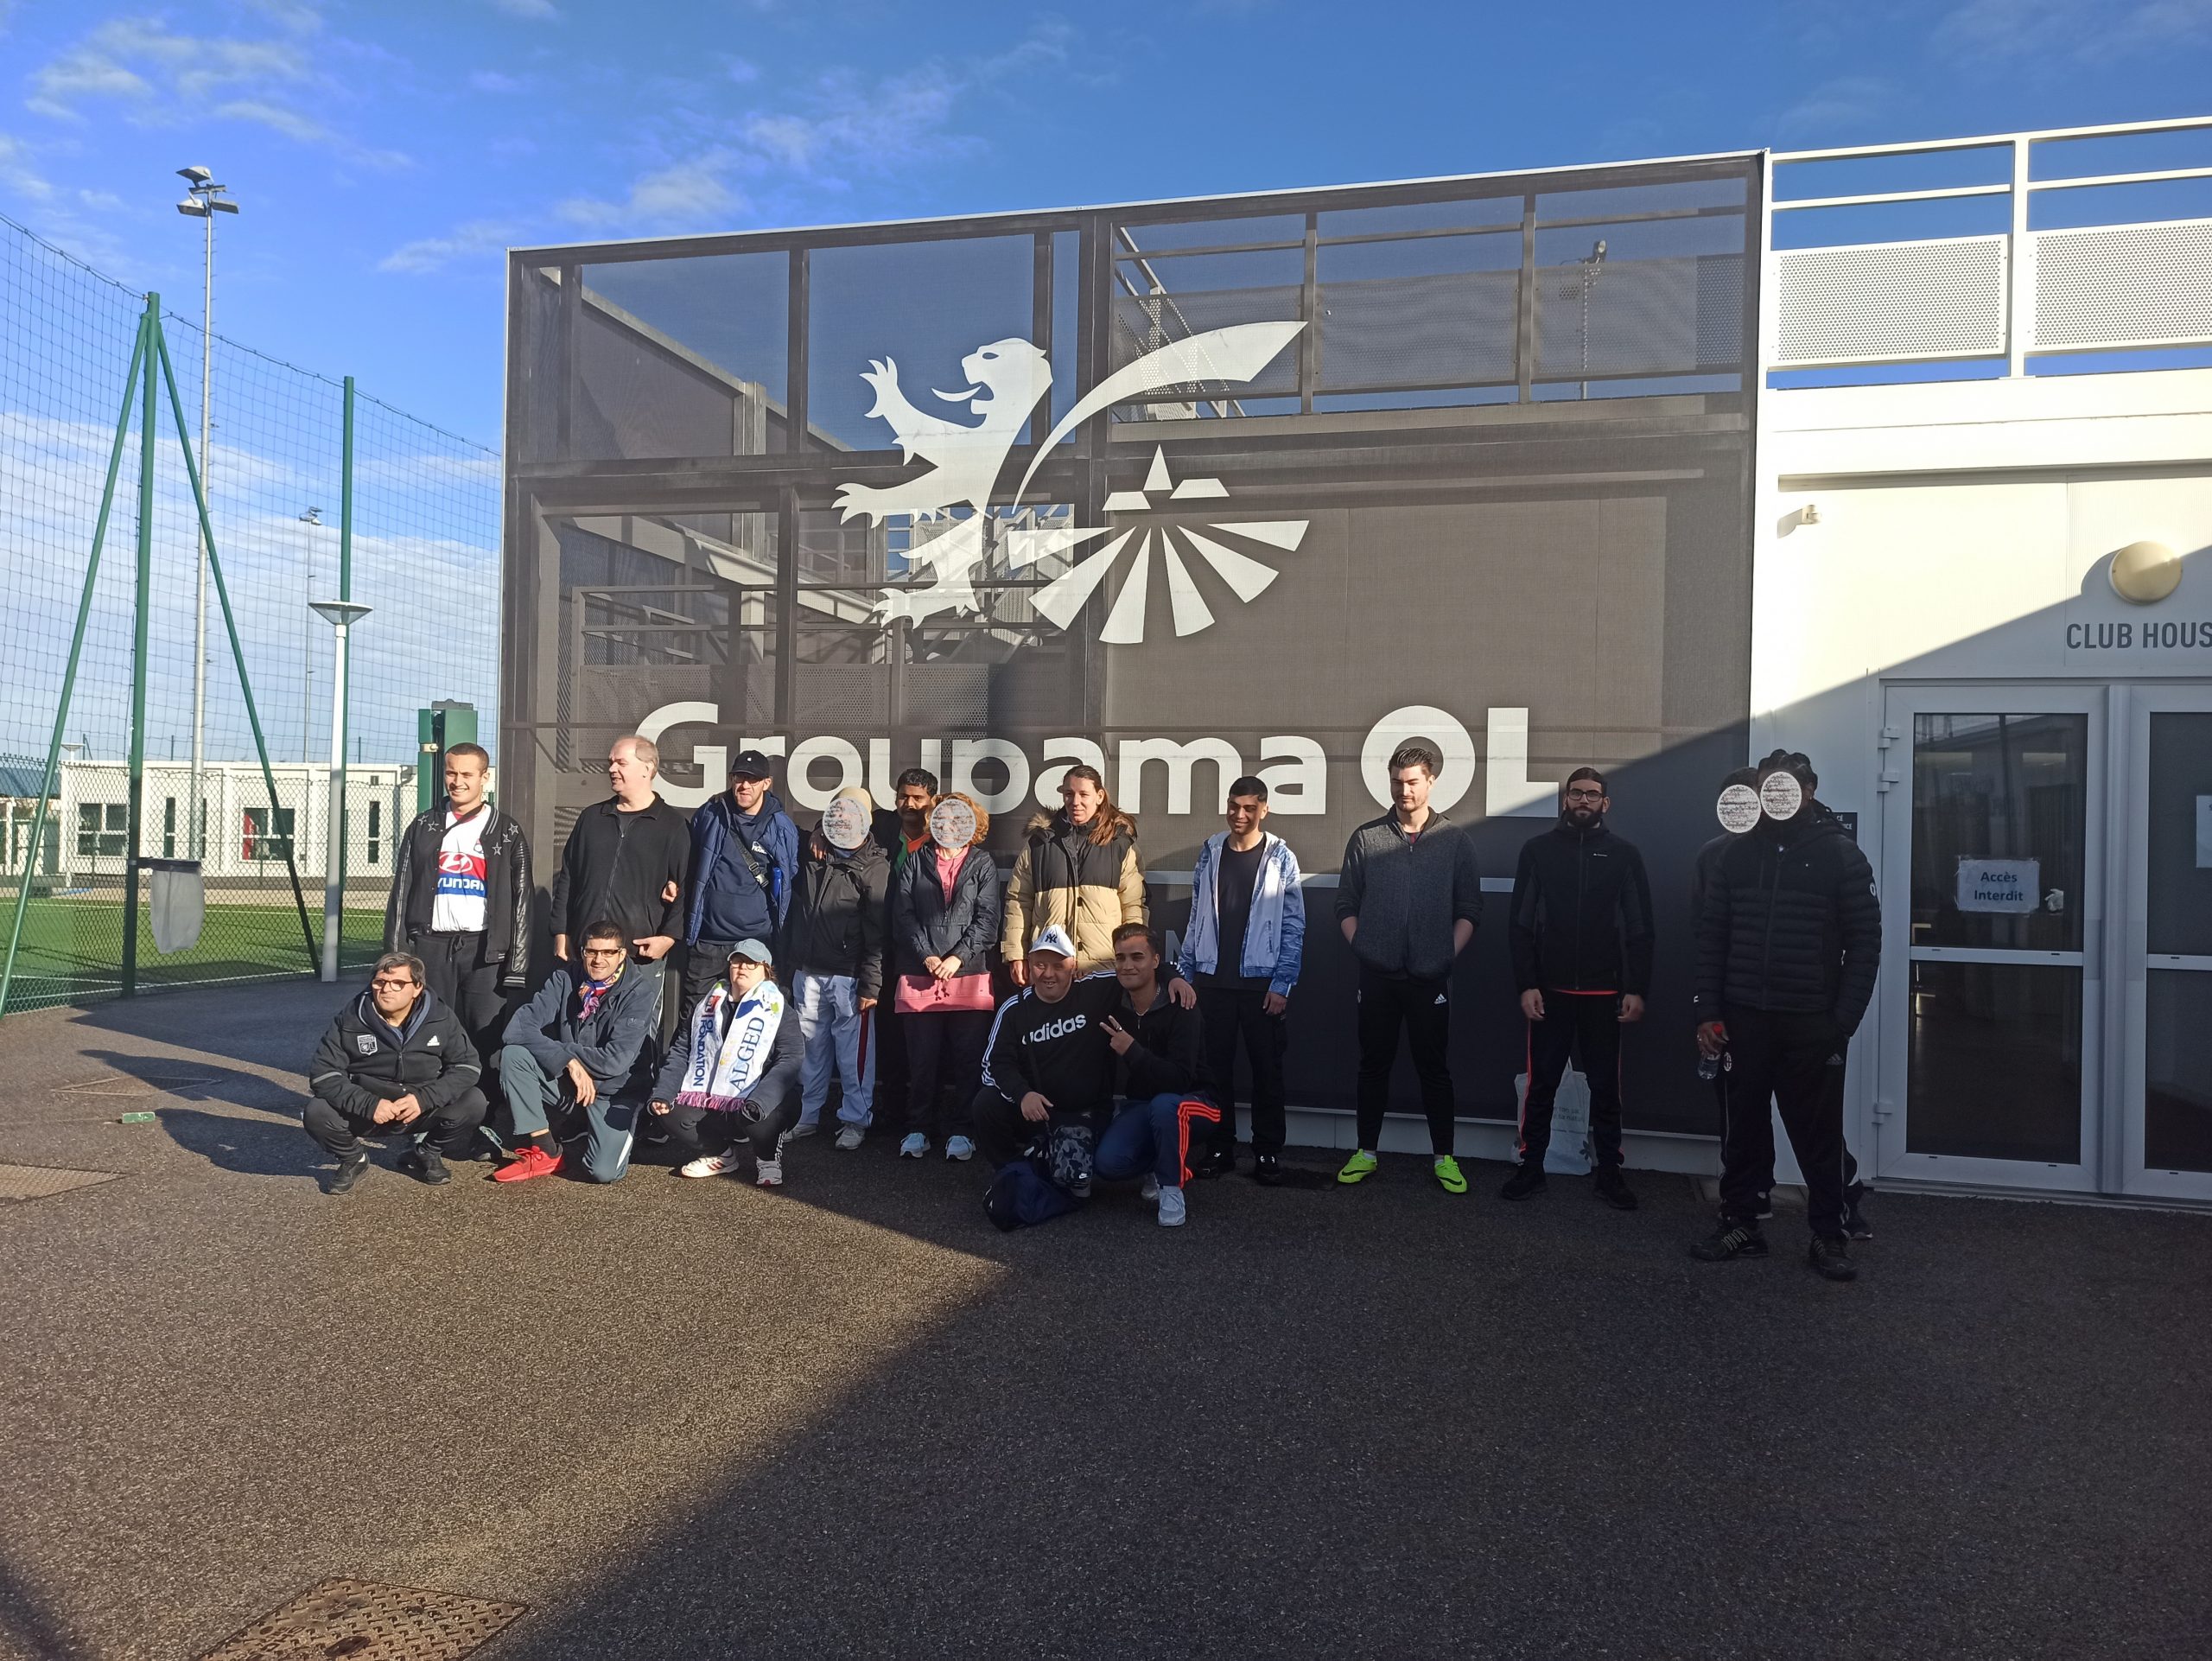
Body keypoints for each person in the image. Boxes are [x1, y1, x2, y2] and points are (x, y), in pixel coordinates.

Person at [1690, 750, 1881, 1281]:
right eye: (1766, 787)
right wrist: (1708, 1011)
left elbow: (1865, 944)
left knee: (1818, 1136)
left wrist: (1841, 1023)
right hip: (1743, 1021)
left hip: (1811, 1023)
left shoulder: (1841, 854)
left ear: (1810, 790)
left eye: (1787, 786)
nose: (1775, 796)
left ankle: (1828, 1235)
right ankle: (1741, 1225)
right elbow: (1712, 939)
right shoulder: (1733, 854)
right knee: (1743, 1132)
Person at [1501, 767, 1656, 1210]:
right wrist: (1527, 984)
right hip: (1549, 992)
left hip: (1605, 994)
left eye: (1592, 794)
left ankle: (1610, 1173)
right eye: (1576, 793)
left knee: (1606, 1089)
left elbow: (1640, 927)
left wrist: (1636, 987)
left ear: (1605, 803)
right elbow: (1520, 924)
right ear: (1565, 800)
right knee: (1542, 1085)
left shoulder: (1625, 855)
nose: (1583, 800)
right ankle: (1531, 1167)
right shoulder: (1538, 851)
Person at [1333, 741, 1484, 1193]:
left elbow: (1470, 909)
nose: (1404, 791)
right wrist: (1364, 947)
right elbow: (1345, 903)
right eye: (1397, 782)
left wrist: (1445, 955)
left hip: (1429, 977)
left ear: (1431, 781)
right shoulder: (1367, 837)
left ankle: (1445, 1158)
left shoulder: (1455, 841)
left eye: (1413, 782)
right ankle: (1365, 1152)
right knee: (1372, 1065)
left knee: (1434, 1069)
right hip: (1377, 977)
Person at [971, 924, 1195, 1176]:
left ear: (1073, 966)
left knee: (1076, 1182)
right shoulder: (1014, 1008)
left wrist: (1173, 977)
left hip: (1086, 1114)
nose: (1049, 974)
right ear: (1030, 964)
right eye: (1040, 965)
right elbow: (996, 1064)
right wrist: (1023, 1094)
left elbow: (1137, 971)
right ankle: (1011, 1173)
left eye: (1058, 966)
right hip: (1035, 1112)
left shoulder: (1094, 991)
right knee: (986, 1103)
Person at [1177, 775, 1304, 1184]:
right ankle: (1220, 1148)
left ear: (1264, 809)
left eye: (1249, 808)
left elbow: (1293, 924)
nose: (1240, 815)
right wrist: (1187, 973)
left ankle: (1267, 1153)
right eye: (1234, 806)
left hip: (1261, 987)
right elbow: (1195, 916)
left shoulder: (1281, 857)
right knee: (1215, 1073)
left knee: (1267, 1072)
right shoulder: (1211, 851)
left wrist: (1282, 984)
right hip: (1212, 983)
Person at [382, 742, 532, 1072]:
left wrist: (517, 966)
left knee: (486, 1037)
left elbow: (522, 899)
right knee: (430, 1031)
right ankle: (431, 1099)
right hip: (431, 946)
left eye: (467, 774)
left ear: (484, 777)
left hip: (485, 951)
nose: (457, 781)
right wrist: (395, 954)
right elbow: (402, 890)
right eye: (451, 773)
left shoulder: (506, 830)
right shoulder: (423, 826)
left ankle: (484, 1102)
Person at [493, 919, 660, 1184]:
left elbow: (615, 1062)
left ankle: (628, 1124)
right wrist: (568, 1061)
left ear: (622, 954)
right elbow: (518, 1028)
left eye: (608, 952)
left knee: (602, 1173)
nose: (598, 960)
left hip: (616, 1093)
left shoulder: (638, 992)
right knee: (514, 1055)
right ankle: (546, 1150)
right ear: (582, 952)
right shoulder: (565, 978)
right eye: (591, 951)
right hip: (574, 1084)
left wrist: (567, 1053)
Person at [305, 951, 487, 1192]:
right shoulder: (350, 1019)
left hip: (420, 1107)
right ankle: (353, 1158)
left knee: (474, 1101)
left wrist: (424, 1099)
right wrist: (369, 1104)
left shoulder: (441, 1017)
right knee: (317, 1112)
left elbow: (467, 1066)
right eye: (380, 982)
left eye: (398, 983)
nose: (386, 989)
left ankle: (428, 1152)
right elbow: (323, 1074)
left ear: (417, 988)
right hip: (370, 1110)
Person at [889, 791, 999, 1162]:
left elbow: (988, 920)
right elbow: (903, 915)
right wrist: (928, 956)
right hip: (920, 973)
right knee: (922, 1061)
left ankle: (963, 1130)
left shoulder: (983, 863)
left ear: (971, 823)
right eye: (942, 818)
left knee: (968, 1060)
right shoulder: (915, 860)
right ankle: (919, 1128)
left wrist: (956, 958)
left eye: (957, 819)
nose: (949, 825)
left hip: (968, 974)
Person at [649, 939, 804, 1187]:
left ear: (766, 971)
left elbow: (790, 1058)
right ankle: (719, 1155)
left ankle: (767, 1159)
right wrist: (663, 1093)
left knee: (763, 1115)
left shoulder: (780, 1010)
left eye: (751, 963)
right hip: (711, 1097)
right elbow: (681, 1051)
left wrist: (761, 1099)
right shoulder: (705, 1006)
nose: (742, 967)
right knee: (669, 1112)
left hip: (758, 1098)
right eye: (737, 962)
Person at [1095, 923, 1218, 1228]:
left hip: (1196, 1102)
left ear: (1155, 961)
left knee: (1165, 1105)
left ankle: (1171, 1186)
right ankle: (1158, 1163)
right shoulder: (1113, 998)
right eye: (1120, 958)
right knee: (1107, 1164)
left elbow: (1178, 1081)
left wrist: (1132, 1050)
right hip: (1143, 1104)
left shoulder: (1182, 1004)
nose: (1127, 965)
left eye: (1137, 957)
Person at [787, 786, 890, 1149]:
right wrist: (817, 830)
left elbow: (877, 932)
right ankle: (807, 1116)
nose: (843, 819)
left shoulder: (875, 866)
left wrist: (871, 984)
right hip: (807, 970)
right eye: (837, 812)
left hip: (849, 976)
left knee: (853, 1056)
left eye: (852, 813)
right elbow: (780, 821)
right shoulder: (812, 850)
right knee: (809, 1051)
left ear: (866, 820)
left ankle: (855, 1121)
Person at [549, 734, 690, 983]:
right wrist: (561, 931)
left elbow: (685, 887)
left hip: (638, 956)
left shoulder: (672, 825)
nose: (612, 769)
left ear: (647, 769)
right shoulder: (592, 818)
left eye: (621, 763)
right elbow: (568, 876)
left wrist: (667, 938)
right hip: (586, 953)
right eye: (611, 763)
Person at [678, 748, 798, 1016]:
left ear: (766, 783)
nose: (744, 785)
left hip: (756, 943)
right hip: (708, 942)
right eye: (739, 778)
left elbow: (791, 877)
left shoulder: (780, 826)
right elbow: (688, 860)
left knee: (753, 1023)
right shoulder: (710, 814)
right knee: (694, 1020)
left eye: (752, 779)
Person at [1002, 764, 1147, 981]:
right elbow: (1018, 900)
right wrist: (1016, 954)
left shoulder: (1120, 844)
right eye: (1069, 794)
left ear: (1099, 796)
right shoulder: (1040, 843)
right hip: (1051, 969)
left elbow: (1133, 905)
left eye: (1083, 794)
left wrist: (1132, 958)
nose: (1075, 802)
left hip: (1103, 969)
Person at [870, 767, 939, 1155]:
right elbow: (840, 817)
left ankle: (926, 1115)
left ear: (932, 801)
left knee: (926, 1039)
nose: (909, 805)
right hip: (885, 951)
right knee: (890, 1034)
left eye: (918, 798)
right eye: (903, 796)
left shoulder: (944, 836)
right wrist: (817, 832)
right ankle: (892, 1109)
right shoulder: (881, 827)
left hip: (927, 953)